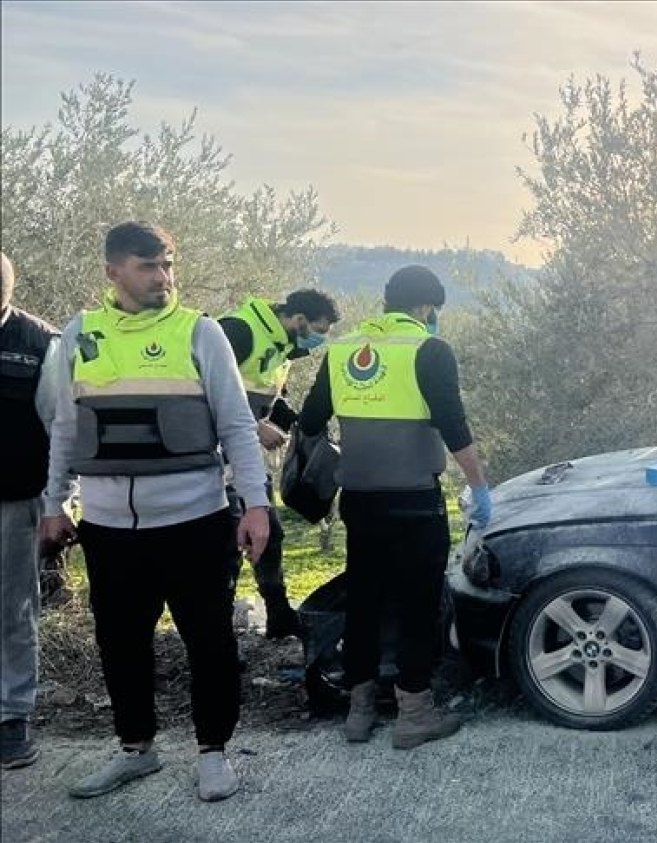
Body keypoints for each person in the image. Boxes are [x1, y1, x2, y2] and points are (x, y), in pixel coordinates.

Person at [38, 222, 271, 802]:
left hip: (196, 522)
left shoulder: (200, 331)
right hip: (109, 528)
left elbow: (237, 426)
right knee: (120, 644)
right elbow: (65, 426)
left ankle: (213, 753)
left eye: (168, 264)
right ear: (112, 272)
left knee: (209, 642)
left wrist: (257, 504)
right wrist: (54, 503)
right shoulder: (81, 333)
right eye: (148, 266)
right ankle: (135, 749)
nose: (163, 277)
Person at [297, 264, 489, 750]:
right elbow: (454, 425)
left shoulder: (343, 350)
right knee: (418, 605)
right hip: (415, 500)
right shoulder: (429, 349)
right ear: (424, 306)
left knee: (364, 600)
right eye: (434, 310)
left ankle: (359, 711)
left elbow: (312, 419)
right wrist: (480, 487)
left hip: (360, 501)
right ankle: (413, 714)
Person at [218, 289, 341, 638]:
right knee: (227, 543)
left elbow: (271, 400)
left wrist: (298, 424)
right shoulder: (238, 331)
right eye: (318, 330)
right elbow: (204, 393)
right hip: (214, 461)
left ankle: (279, 615)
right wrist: (257, 427)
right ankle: (218, 629)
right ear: (299, 319)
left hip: (245, 458)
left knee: (268, 533)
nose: (318, 339)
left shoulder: (281, 348)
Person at [0, 252, 71, 770]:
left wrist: (59, 503)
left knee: (12, 610)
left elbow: (61, 428)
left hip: (13, 499)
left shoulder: (40, 344)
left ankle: (11, 715)